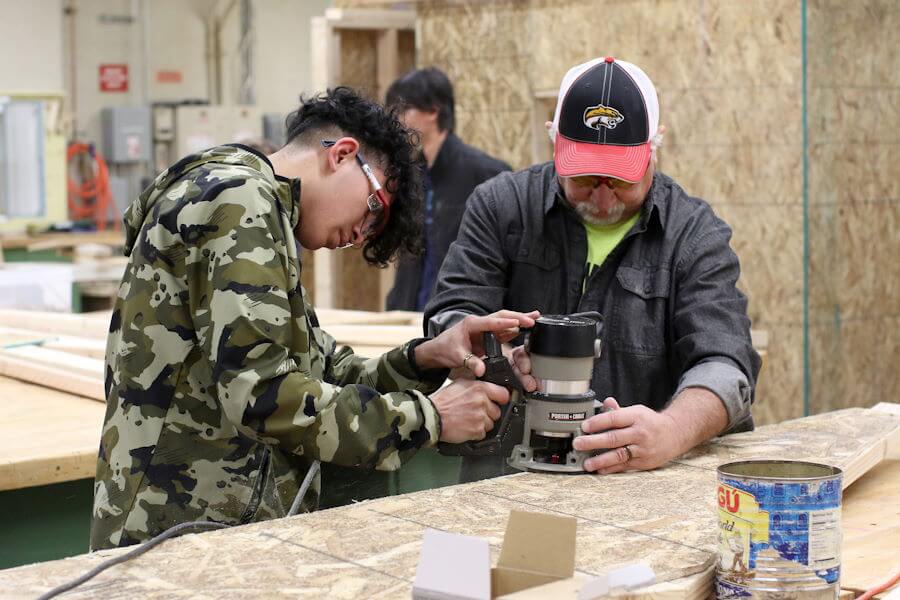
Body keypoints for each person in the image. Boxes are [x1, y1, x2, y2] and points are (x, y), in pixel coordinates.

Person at [91, 87, 536, 550]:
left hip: (212, 527)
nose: (358, 235)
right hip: (173, 528)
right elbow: (263, 394)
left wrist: (427, 358)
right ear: (343, 155)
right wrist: (431, 416)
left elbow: (323, 372)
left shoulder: (265, 214)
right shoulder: (241, 202)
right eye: (374, 209)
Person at [425, 57, 761, 481]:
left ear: (653, 150)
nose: (602, 199)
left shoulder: (693, 236)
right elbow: (450, 316)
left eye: (620, 180)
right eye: (584, 178)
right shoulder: (500, 207)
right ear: (555, 146)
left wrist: (670, 431)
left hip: (636, 488)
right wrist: (497, 356)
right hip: (505, 476)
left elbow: (725, 364)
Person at [384, 67, 511, 311]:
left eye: (404, 110)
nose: (397, 119)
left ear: (433, 111)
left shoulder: (487, 173)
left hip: (457, 317)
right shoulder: (411, 173)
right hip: (409, 316)